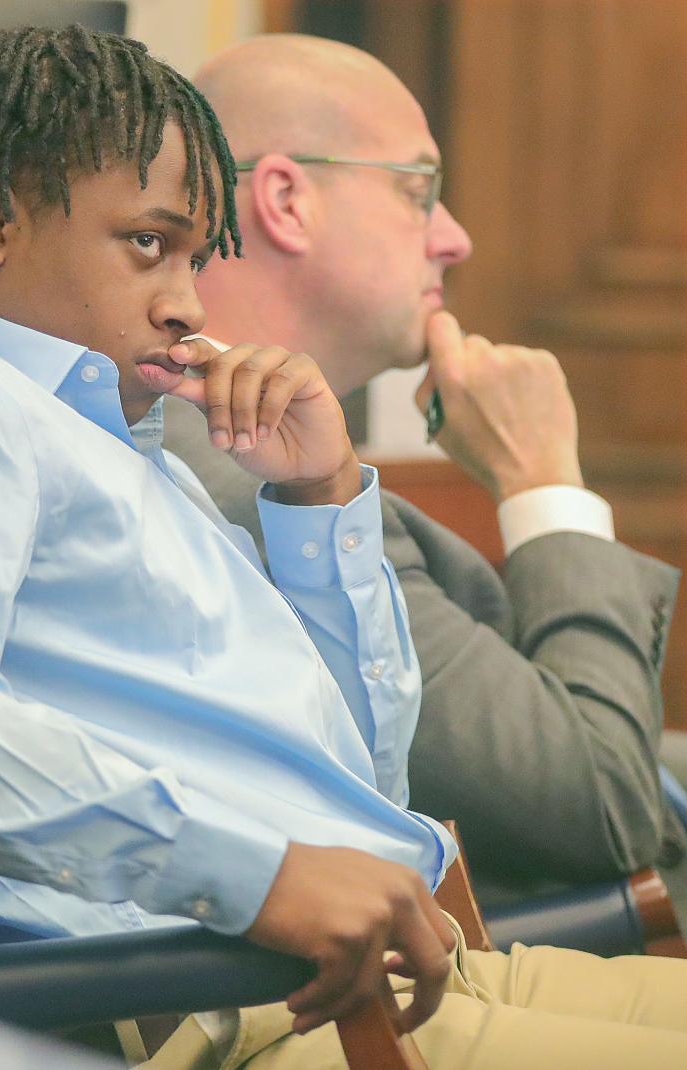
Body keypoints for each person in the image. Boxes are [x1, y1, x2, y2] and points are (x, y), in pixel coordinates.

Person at [0, 24, 687, 1070]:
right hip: (248, 1008)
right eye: (148, 243)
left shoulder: (115, 440)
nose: (188, 302)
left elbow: (357, 782)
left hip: (407, 965)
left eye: (197, 257)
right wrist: (263, 871)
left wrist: (318, 501)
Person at [159, 32, 686, 910]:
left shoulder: (240, 449)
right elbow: (599, 808)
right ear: (287, 200)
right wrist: (544, 480)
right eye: (419, 191)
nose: (457, 238)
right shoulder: (260, 488)